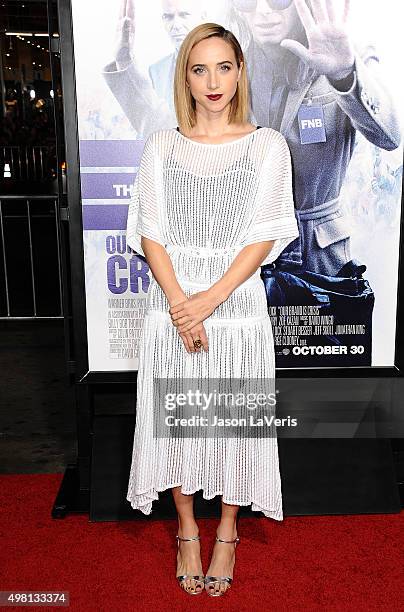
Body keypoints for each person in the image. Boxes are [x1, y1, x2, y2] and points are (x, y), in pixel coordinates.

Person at [125, 22, 299, 596]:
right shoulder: (161, 146)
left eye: (224, 66)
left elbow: (264, 236)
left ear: (241, 71)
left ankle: (226, 531)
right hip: (174, 308)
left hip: (236, 307)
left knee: (231, 423)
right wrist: (182, 307)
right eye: (200, 68)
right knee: (179, 420)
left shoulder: (268, 145)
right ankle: (185, 529)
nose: (213, 81)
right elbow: (151, 233)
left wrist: (209, 301)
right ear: (185, 78)